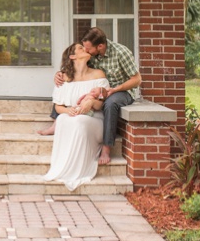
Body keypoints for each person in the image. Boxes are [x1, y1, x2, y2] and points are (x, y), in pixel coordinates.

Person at [52, 27, 141, 165]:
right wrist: (60, 73)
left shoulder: (121, 52)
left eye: (88, 49)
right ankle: (56, 121)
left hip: (122, 91)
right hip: (100, 89)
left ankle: (106, 147)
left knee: (111, 103)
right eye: (84, 48)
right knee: (67, 89)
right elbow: (76, 68)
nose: (86, 51)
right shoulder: (92, 56)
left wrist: (115, 89)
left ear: (100, 46)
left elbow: (137, 80)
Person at [42, 43, 109, 191]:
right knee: (62, 119)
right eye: (80, 48)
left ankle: (79, 168)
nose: (85, 48)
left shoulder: (98, 74)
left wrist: (91, 102)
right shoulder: (64, 78)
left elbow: (101, 105)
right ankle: (64, 165)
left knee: (79, 121)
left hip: (94, 119)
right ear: (72, 56)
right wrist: (69, 111)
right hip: (73, 115)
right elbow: (58, 107)